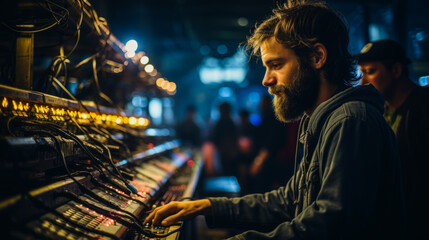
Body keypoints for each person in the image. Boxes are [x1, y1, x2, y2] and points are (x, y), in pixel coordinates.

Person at [144, 1, 406, 239]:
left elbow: (329, 226)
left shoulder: (350, 121)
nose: (266, 80)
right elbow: (290, 200)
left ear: (317, 57)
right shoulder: (321, 119)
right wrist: (208, 206)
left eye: (277, 65)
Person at [356, 39, 429, 239]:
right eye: (361, 72)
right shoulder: (379, 112)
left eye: (370, 72)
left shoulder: (423, 109)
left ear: (396, 70)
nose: (363, 81)